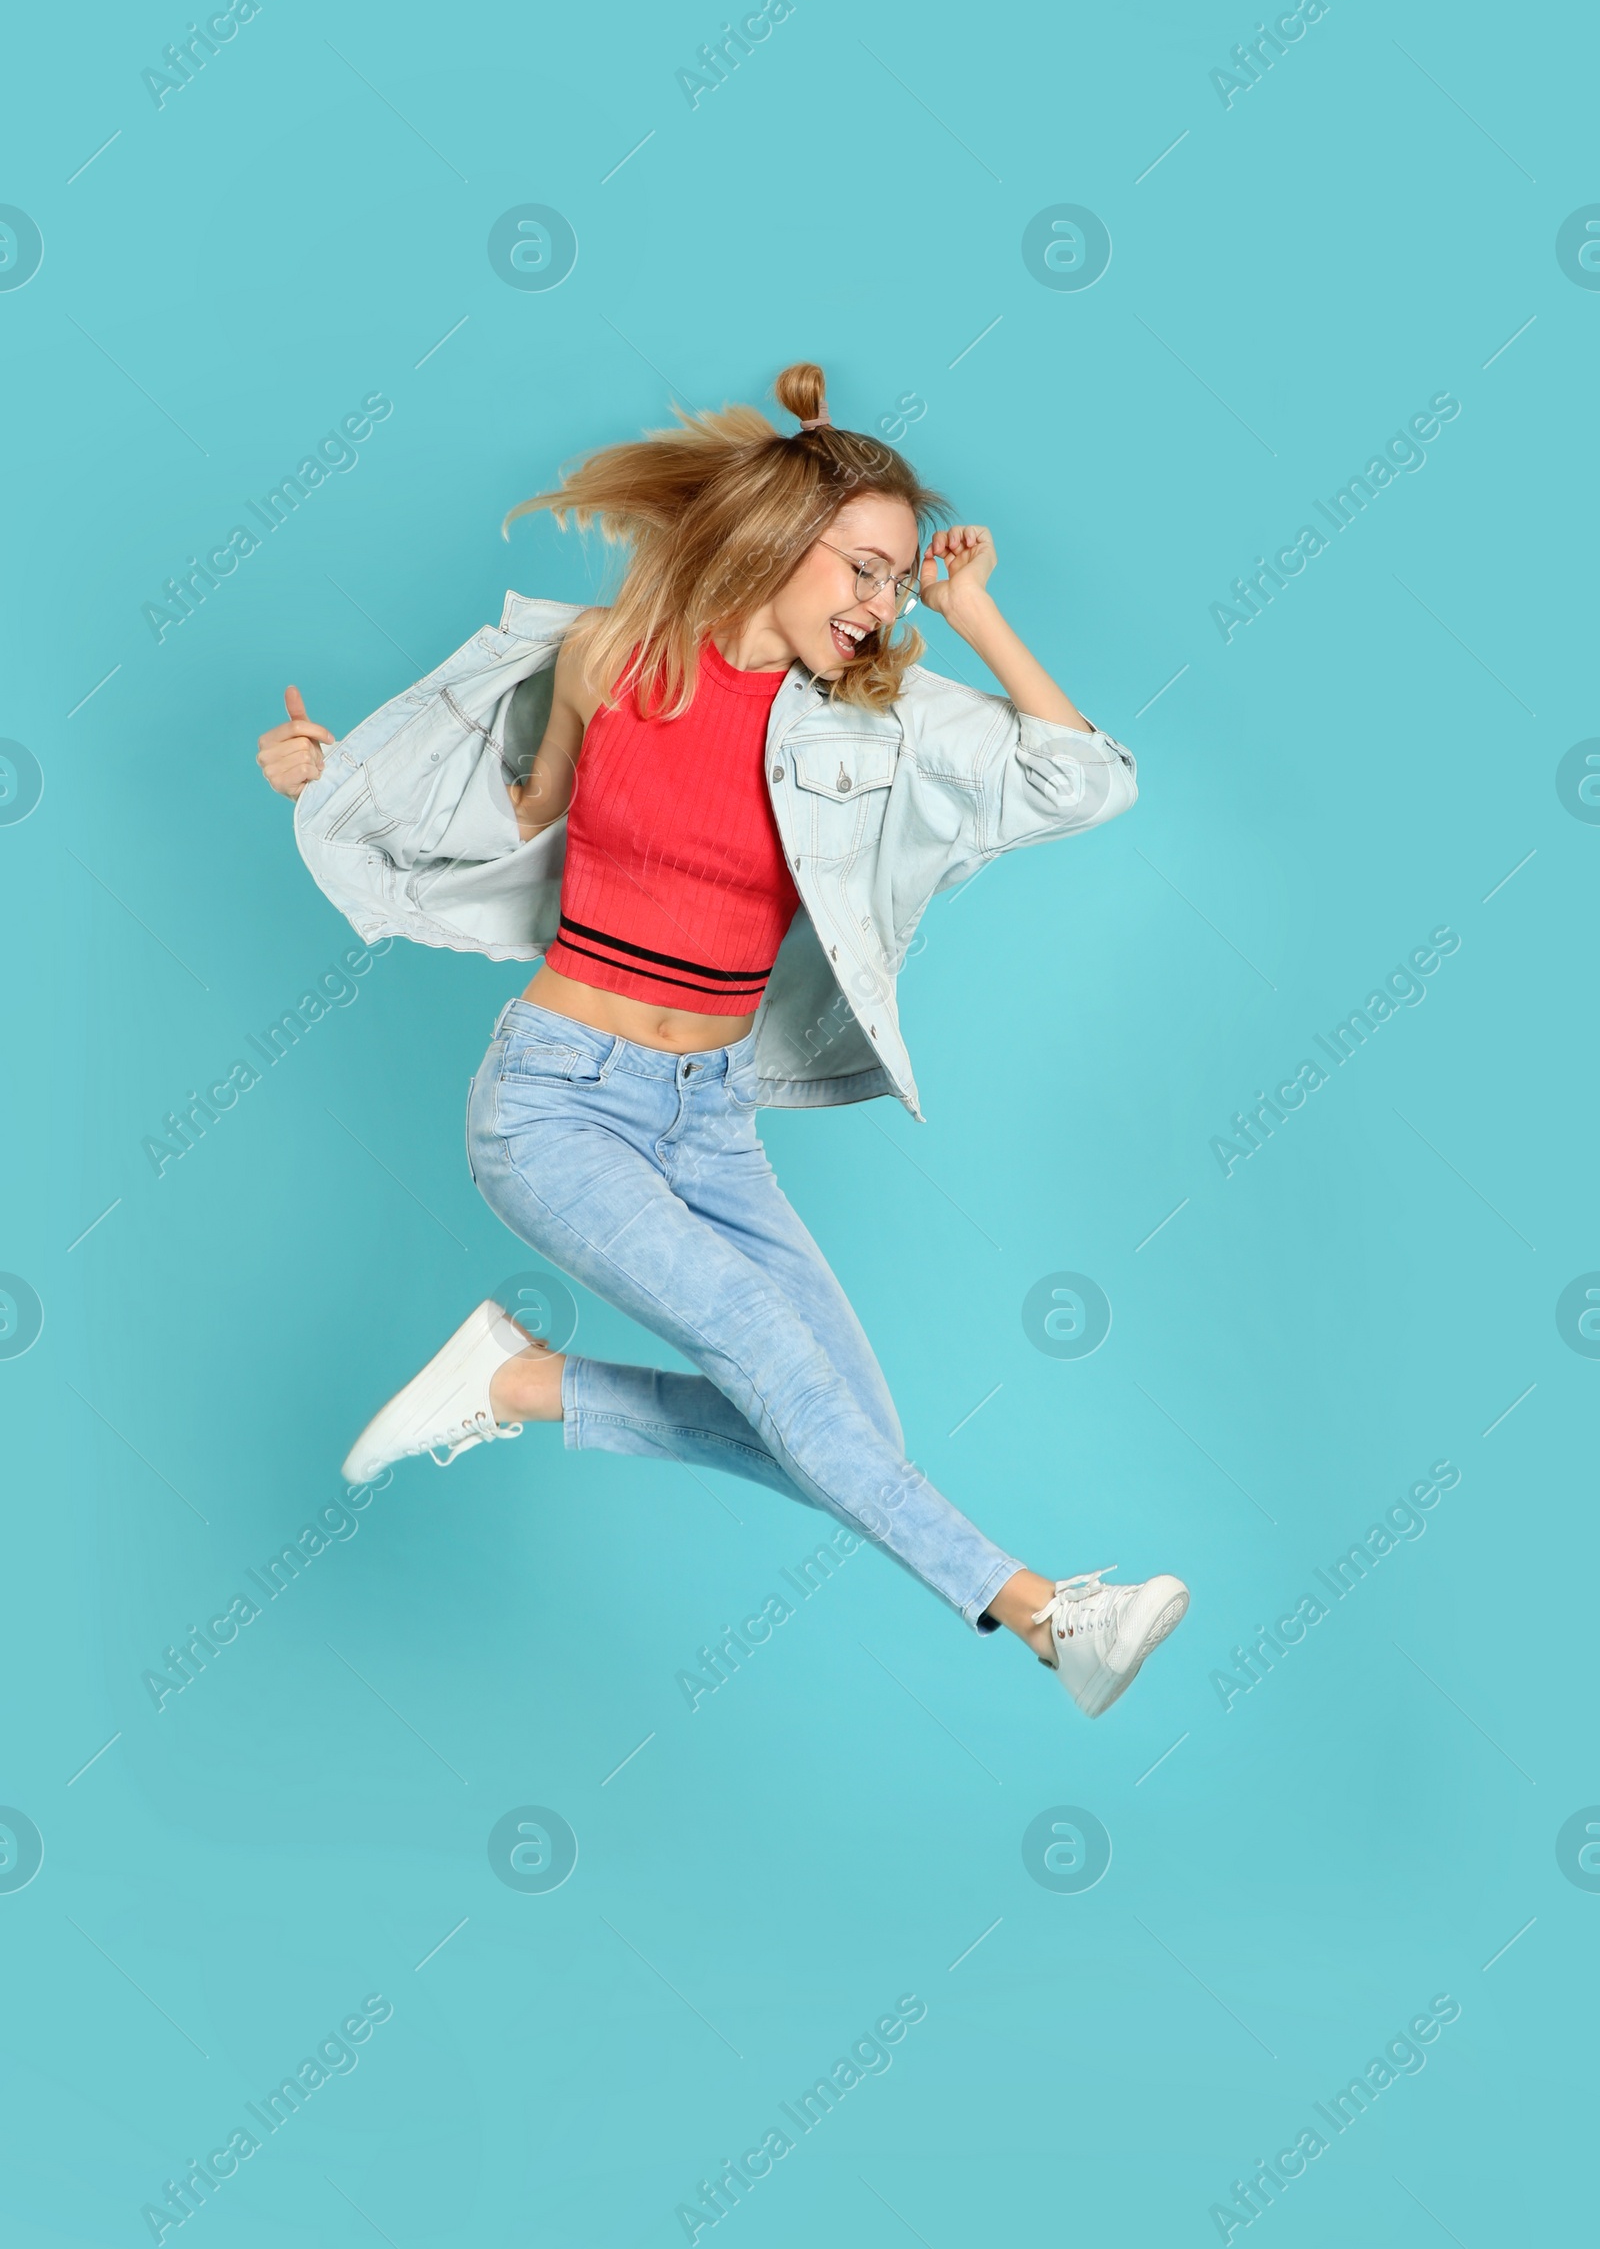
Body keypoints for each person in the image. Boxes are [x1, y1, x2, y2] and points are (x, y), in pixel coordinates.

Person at [256, 362, 1188, 1717]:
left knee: (847, 1433)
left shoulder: (867, 719)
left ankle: (515, 1382)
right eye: (862, 570)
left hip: (712, 1117)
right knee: (790, 1384)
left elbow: (1083, 780)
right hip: (556, 1104)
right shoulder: (609, 656)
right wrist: (335, 780)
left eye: (892, 581)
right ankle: (1048, 1614)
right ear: (775, 541)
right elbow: (522, 826)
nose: (878, 607)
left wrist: (968, 609)